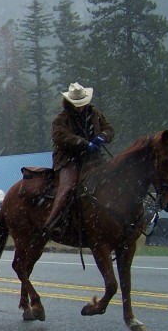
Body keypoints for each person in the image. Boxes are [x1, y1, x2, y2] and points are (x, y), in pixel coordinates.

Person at [43, 82, 114, 234]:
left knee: (112, 180)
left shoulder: (95, 113)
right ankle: (54, 222)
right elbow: (59, 136)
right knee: (68, 188)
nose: (80, 107)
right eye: (77, 104)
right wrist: (83, 143)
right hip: (68, 160)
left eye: (82, 103)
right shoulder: (61, 119)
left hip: (93, 158)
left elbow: (109, 129)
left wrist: (103, 136)